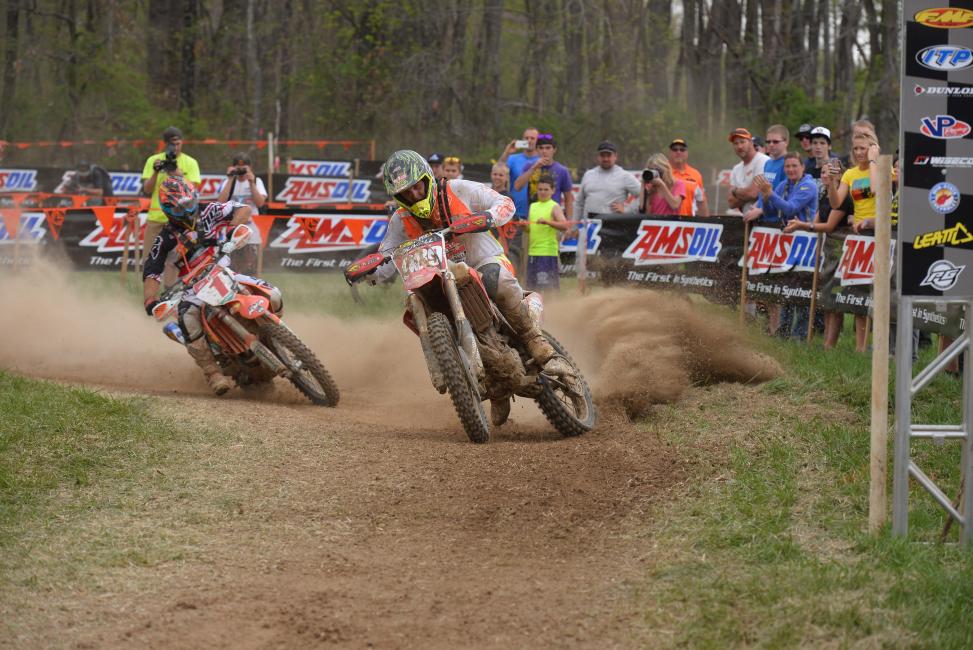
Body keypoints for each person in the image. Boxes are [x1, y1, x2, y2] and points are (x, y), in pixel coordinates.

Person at [371, 150, 570, 426]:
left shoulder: (458, 189)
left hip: (483, 261)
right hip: (439, 277)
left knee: (495, 279)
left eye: (417, 186)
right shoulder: (400, 220)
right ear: (397, 196)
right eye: (406, 192)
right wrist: (371, 272)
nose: (415, 194)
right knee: (415, 300)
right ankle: (485, 383)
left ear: (427, 178)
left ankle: (536, 339)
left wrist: (488, 217)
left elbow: (504, 203)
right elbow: (388, 254)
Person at [142, 177, 281, 395]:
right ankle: (213, 374)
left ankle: (277, 334)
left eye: (190, 203)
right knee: (187, 319)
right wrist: (150, 300)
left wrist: (233, 230)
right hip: (191, 288)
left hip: (225, 271)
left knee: (272, 294)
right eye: (182, 207)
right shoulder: (165, 238)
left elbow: (243, 209)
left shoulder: (208, 211)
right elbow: (151, 271)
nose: (189, 209)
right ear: (170, 211)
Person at [784, 131, 880, 353]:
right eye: (855, 148)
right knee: (855, 289)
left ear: (873, 148)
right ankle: (859, 349)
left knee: (866, 292)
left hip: (878, 234)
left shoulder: (882, 169)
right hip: (857, 236)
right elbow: (837, 203)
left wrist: (874, 160)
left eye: (863, 148)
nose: (858, 153)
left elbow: (876, 189)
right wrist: (833, 184)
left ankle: (863, 346)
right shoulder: (851, 174)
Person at [745, 152, 818, 339]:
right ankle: (782, 332)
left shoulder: (808, 185)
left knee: (802, 289)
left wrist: (770, 194)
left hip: (807, 242)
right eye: (787, 167)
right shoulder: (783, 184)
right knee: (786, 285)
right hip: (788, 242)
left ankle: (800, 336)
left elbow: (791, 208)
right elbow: (771, 210)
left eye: (794, 166)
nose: (791, 170)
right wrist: (765, 197)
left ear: (802, 167)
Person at [141, 126, 202, 280]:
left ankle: (168, 295)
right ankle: (150, 295)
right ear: (165, 144)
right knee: (150, 259)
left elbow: (192, 190)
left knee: (173, 261)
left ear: (182, 142)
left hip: (179, 220)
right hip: (156, 217)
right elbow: (147, 190)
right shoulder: (153, 160)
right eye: (171, 143)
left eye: (177, 143)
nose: (175, 147)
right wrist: (156, 171)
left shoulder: (190, 162)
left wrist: (177, 174)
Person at [216, 152, 267, 275]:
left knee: (251, 261)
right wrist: (230, 179)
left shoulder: (256, 181)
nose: (241, 172)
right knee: (231, 261)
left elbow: (260, 203)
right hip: (232, 227)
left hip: (251, 226)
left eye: (244, 169)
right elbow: (220, 202)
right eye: (239, 169)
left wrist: (251, 183)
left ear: (250, 168)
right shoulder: (228, 181)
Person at [497, 127, 540, 270]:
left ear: (537, 140)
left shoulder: (541, 160)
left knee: (535, 252)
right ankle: (518, 280)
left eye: (532, 138)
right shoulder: (513, 158)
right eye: (526, 138)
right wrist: (506, 152)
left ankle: (533, 283)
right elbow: (499, 170)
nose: (529, 141)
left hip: (536, 213)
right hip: (515, 213)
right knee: (515, 251)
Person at [574, 140, 641, 218]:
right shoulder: (588, 174)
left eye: (609, 155)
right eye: (602, 155)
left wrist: (628, 209)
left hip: (612, 228)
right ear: (597, 157)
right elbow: (579, 203)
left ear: (615, 156)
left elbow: (644, 196)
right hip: (589, 227)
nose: (605, 159)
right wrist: (574, 227)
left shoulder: (625, 176)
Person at [513, 133, 573, 219]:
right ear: (537, 150)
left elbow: (568, 199)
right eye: (541, 148)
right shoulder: (529, 166)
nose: (544, 151)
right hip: (533, 217)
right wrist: (534, 168)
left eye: (548, 148)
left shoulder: (562, 170)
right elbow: (517, 187)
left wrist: (569, 223)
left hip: (554, 218)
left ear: (554, 150)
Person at [527, 175, 571, 292]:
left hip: (547, 253)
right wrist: (524, 226)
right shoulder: (533, 206)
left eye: (546, 189)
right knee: (531, 290)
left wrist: (547, 222)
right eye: (540, 189)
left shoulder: (554, 206)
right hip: (532, 253)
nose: (542, 192)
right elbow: (529, 229)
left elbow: (565, 225)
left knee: (548, 289)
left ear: (553, 190)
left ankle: (553, 309)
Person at [726, 128, 770, 216]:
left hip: (763, 219)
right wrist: (747, 193)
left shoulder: (763, 161)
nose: (739, 146)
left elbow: (753, 193)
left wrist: (735, 191)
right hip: (746, 219)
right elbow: (731, 202)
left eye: (742, 142)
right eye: (736, 143)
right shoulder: (736, 169)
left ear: (750, 143)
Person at [667, 138, 709, 217]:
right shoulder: (663, 171)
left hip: (688, 223)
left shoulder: (696, 174)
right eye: (675, 149)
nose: (678, 152)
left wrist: (707, 223)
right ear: (669, 153)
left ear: (687, 153)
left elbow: (701, 202)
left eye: (682, 150)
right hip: (664, 222)